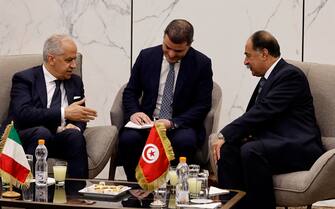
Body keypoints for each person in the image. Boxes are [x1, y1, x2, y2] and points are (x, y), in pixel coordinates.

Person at [212, 30, 324, 209]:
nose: (245, 62)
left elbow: (263, 111)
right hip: (274, 143)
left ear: (264, 53)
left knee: (252, 150)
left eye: (248, 56)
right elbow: (257, 115)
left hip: (300, 146)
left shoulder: (290, 76)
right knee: (227, 150)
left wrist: (225, 133)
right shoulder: (269, 77)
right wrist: (229, 139)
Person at [119, 19, 213, 181]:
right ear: (163, 38)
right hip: (147, 122)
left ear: (189, 45)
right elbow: (130, 91)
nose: (171, 54)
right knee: (128, 139)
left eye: (178, 51)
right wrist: (135, 112)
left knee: (186, 142)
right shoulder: (146, 56)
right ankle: (136, 186)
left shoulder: (202, 64)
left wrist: (173, 122)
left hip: (179, 124)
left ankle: (174, 188)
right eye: (167, 47)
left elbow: (202, 105)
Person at [1, 34, 97, 178]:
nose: (74, 65)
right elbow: (23, 114)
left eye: (74, 60)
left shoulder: (75, 82)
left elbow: (79, 115)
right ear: (51, 59)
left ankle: (77, 195)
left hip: (58, 139)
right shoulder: (25, 79)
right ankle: (27, 192)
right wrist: (64, 114)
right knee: (42, 133)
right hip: (26, 137)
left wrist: (75, 126)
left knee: (75, 136)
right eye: (68, 60)